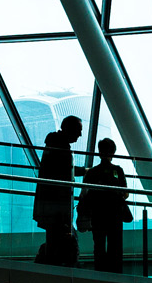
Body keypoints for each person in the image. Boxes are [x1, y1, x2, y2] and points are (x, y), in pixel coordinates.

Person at [34, 115, 84, 266]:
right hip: (57, 208)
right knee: (60, 241)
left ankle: (51, 267)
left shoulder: (55, 145)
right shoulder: (60, 148)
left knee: (55, 240)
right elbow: (62, 173)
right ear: (71, 129)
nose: (80, 134)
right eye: (79, 130)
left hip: (52, 207)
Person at [78, 138, 132, 273]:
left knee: (99, 245)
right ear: (113, 153)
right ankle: (115, 273)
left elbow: (85, 193)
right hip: (115, 214)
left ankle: (100, 273)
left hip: (98, 214)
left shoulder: (92, 172)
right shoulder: (118, 171)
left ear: (99, 152)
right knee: (115, 245)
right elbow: (125, 193)